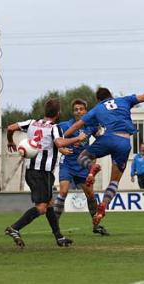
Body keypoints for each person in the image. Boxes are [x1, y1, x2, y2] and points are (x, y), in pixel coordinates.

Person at [64, 72, 144, 225]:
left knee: (83, 158)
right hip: (124, 142)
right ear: (111, 96)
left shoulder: (96, 109)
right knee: (114, 182)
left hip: (108, 138)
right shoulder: (124, 100)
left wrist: (64, 137)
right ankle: (103, 207)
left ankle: (93, 167)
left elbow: (76, 125)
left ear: (98, 99)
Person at [6, 98, 87, 248]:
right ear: (58, 113)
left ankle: (59, 237)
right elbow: (59, 142)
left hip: (31, 170)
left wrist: (10, 141)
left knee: (49, 204)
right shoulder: (54, 128)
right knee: (42, 207)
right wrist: (78, 137)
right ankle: (14, 228)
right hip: (42, 173)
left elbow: (10, 127)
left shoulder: (31, 123)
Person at [55, 99, 109, 236]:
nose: (78, 111)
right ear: (73, 112)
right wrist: (61, 149)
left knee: (90, 194)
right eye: (76, 109)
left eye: (81, 109)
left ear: (86, 111)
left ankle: (96, 224)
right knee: (63, 191)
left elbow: (101, 138)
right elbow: (54, 139)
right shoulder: (65, 125)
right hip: (67, 163)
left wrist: (94, 152)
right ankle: (54, 225)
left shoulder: (91, 125)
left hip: (82, 165)